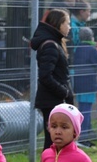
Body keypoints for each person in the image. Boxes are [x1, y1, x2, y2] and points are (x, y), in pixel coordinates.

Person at [30, 8, 74, 150]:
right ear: (58, 24)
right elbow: (45, 76)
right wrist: (64, 92)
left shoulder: (55, 42)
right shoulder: (50, 45)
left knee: (57, 142)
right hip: (52, 101)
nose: (69, 27)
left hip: (55, 100)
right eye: (67, 23)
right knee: (53, 143)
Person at [73, 27, 97, 145]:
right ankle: (83, 137)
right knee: (86, 110)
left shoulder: (78, 49)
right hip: (89, 84)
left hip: (79, 84)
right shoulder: (91, 50)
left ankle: (86, 133)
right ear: (90, 37)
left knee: (82, 109)